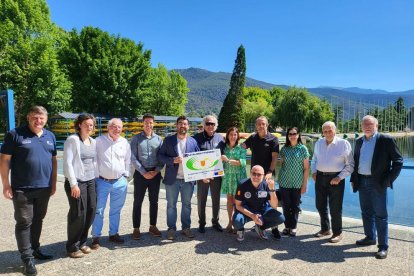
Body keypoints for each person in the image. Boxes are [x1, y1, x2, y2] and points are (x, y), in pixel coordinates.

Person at [0, 106, 57, 275]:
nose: (38, 121)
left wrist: (53, 184)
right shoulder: (15, 134)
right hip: (22, 189)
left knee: (38, 219)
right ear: (28, 117)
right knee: (24, 222)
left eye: (41, 118)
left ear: (46, 119)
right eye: (35, 117)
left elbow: (53, 161)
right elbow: (4, 160)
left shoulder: (50, 136)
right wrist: (6, 184)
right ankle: (27, 259)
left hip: (44, 188)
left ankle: (35, 249)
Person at [351, 115, 403, 259]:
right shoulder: (359, 141)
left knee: (380, 215)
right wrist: (353, 179)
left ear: (376, 126)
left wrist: (388, 180)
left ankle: (383, 246)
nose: (367, 127)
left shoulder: (385, 140)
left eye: (370, 124)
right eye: (365, 124)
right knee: (366, 212)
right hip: (361, 181)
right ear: (361, 127)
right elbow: (355, 162)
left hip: (378, 183)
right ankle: (370, 237)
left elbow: (398, 161)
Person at [91, 118, 131, 249]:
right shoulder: (99, 141)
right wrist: (96, 176)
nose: (117, 129)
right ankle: (96, 236)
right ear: (108, 127)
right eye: (114, 126)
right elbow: (94, 160)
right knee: (99, 210)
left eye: (119, 127)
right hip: (102, 181)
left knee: (116, 210)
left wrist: (125, 176)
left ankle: (113, 233)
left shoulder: (124, 142)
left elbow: (127, 160)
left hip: (119, 182)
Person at [311, 121, 354, 243]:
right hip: (320, 177)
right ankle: (325, 229)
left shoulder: (343, 143)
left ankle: (337, 233)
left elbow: (350, 165)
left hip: (336, 179)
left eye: (330, 130)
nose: (327, 133)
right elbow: (314, 160)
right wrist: (314, 172)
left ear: (335, 130)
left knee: (335, 207)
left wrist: (340, 177)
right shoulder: (319, 143)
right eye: (325, 131)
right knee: (320, 205)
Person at [158, 116, 200, 240]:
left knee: (187, 205)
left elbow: (198, 159)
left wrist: (203, 174)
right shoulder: (168, 140)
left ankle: (186, 228)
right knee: (171, 205)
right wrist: (172, 160)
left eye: (185, 124)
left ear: (188, 126)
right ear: (177, 126)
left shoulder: (193, 141)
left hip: (188, 180)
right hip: (172, 179)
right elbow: (160, 156)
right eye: (180, 123)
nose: (183, 126)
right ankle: (171, 229)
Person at [63, 113, 98, 258]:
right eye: (86, 124)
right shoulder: (73, 140)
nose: (89, 127)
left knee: (91, 210)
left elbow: (94, 162)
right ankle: (72, 246)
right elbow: (67, 163)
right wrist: (73, 184)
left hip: (90, 181)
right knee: (78, 213)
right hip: (77, 182)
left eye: (91, 125)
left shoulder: (93, 141)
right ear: (79, 125)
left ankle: (83, 242)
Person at [242, 115, 280, 239]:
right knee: (256, 200)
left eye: (263, 124)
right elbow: (241, 147)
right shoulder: (252, 138)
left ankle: (274, 227)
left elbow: (274, 158)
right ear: (256, 126)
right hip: (255, 176)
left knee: (270, 200)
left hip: (267, 176)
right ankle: (258, 224)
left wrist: (269, 172)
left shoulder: (273, 139)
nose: (261, 126)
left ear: (267, 125)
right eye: (258, 124)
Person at [130, 114, 163, 240]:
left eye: (150, 122)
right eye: (146, 122)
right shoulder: (136, 139)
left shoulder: (159, 140)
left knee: (154, 202)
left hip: (155, 174)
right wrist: (144, 172)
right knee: (137, 202)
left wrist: (156, 171)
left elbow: (161, 157)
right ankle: (136, 228)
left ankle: (152, 226)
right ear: (143, 124)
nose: (148, 125)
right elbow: (133, 157)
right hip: (140, 174)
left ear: (153, 124)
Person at [233, 165, 285, 242]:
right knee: (237, 222)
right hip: (246, 211)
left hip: (262, 211)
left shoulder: (266, 185)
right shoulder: (242, 184)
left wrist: (272, 190)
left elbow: (274, 205)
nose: (256, 176)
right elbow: (238, 205)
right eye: (254, 173)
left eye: (259, 174)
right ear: (250, 173)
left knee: (280, 218)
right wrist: (252, 215)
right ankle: (240, 230)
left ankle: (261, 227)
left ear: (263, 175)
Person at [193, 115, 225, 233]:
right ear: (203, 125)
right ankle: (201, 223)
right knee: (202, 199)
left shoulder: (220, 138)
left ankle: (215, 222)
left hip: (216, 175)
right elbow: (192, 158)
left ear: (216, 126)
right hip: (202, 176)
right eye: (208, 123)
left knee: (216, 199)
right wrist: (201, 175)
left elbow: (225, 153)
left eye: (212, 124)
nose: (210, 126)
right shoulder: (196, 138)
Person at [278, 127, 310, 237]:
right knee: (286, 205)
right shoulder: (284, 149)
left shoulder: (303, 149)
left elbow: (306, 168)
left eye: (294, 133)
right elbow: (282, 165)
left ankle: (294, 227)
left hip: (297, 183)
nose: (292, 135)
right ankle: (287, 226)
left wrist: (304, 184)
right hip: (284, 182)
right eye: (290, 134)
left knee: (295, 206)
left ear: (298, 135)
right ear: (288, 136)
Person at [220, 127, 247, 233]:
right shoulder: (224, 148)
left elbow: (243, 162)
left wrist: (228, 160)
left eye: (235, 134)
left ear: (237, 136)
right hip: (227, 177)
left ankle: (237, 224)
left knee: (237, 202)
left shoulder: (241, 148)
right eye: (231, 134)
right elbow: (220, 163)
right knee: (229, 200)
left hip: (238, 178)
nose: (232, 136)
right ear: (228, 136)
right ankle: (230, 222)